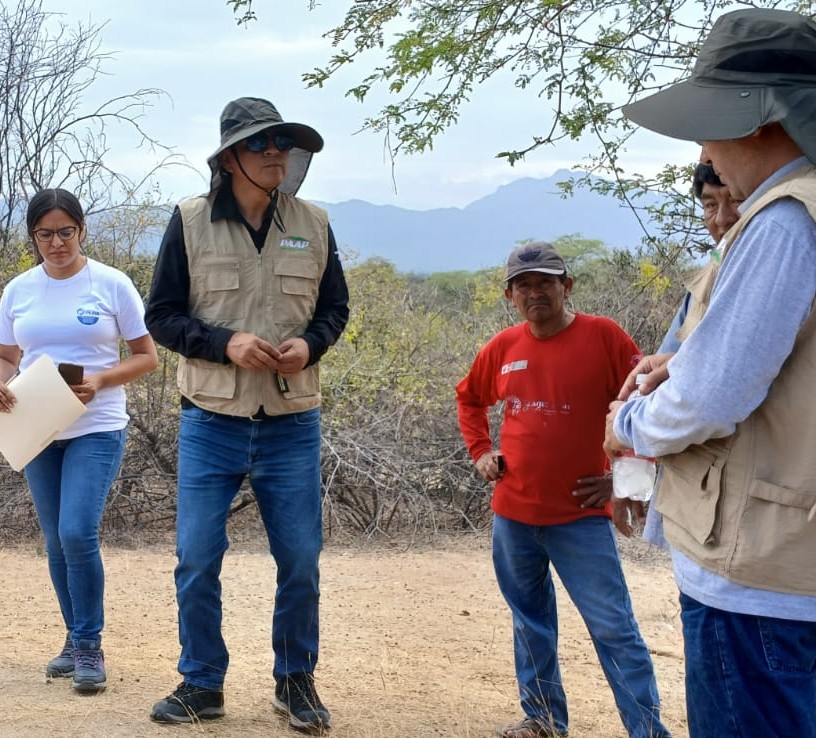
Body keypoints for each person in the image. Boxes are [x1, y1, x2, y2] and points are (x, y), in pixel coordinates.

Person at [604, 9, 816, 737]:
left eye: (709, 125)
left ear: (759, 118)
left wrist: (628, 424)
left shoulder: (783, 221)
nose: (706, 152)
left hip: (758, 578)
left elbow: (710, 398)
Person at [145, 97, 349, 733]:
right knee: (196, 559)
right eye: (260, 143)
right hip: (211, 419)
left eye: (282, 143)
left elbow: (335, 310)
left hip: (292, 422)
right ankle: (201, 682)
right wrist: (223, 343)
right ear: (229, 157)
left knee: (301, 560)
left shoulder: (314, 223)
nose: (275, 153)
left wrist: (310, 345)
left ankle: (295, 681)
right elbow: (162, 316)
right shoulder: (190, 221)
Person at [456, 242, 671, 738]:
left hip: (580, 518)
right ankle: (543, 720)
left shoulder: (604, 336)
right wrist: (481, 452)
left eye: (545, 283)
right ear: (510, 295)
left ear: (566, 287)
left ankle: (647, 730)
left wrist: (623, 481)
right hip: (513, 516)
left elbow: (647, 404)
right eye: (523, 285)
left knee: (613, 628)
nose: (535, 293)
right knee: (530, 621)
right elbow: (469, 399)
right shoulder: (503, 347)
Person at [0, 188, 159, 693]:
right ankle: (74, 639)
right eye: (44, 234)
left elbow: (147, 356)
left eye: (65, 232)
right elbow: (7, 356)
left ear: (81, 229)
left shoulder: (111, 284)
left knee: (76, 532)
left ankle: (90, 644)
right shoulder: (18, 291)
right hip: (37, 426)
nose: (56, 243)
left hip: (96, 425)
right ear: (33, 237)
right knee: (54, 539)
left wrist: (102, 380)